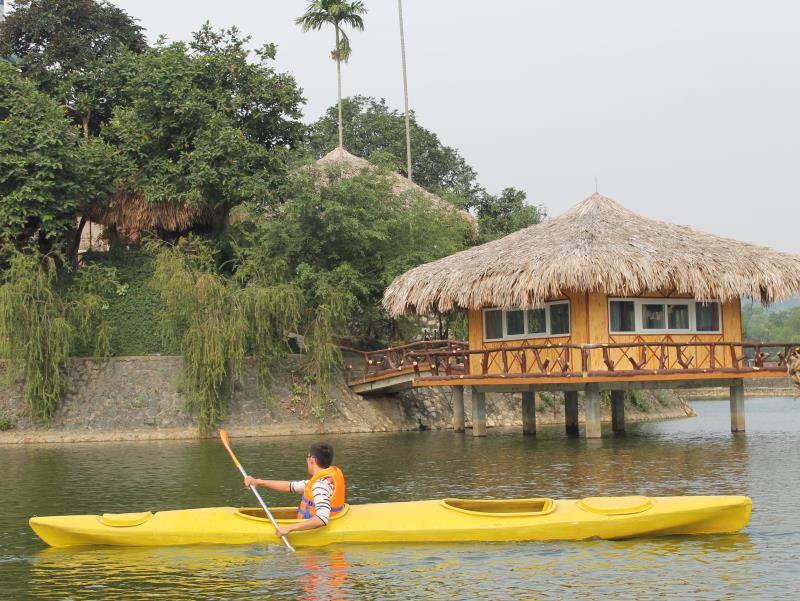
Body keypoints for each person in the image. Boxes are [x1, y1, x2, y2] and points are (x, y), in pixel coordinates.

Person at [244, 442, 346, 539]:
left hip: (315, 532)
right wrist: (258, 482)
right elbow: (289, 486)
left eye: (307, 457)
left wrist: (289, 528)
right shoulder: (324, 480)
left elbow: (322, 519)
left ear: (312, 459)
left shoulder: (319, 486)